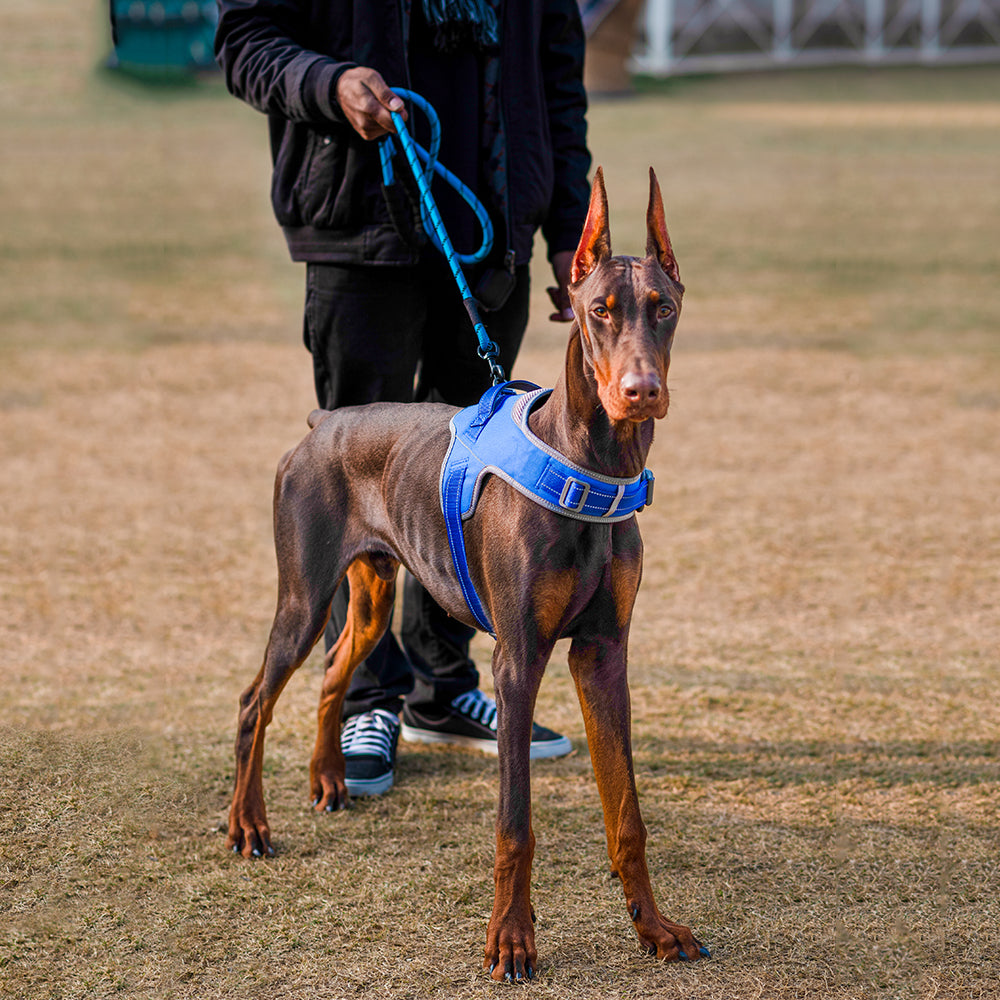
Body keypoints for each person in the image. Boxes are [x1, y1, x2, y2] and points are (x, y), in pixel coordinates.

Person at [215, 0, 592, 796]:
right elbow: (245, 39)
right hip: (359, 225)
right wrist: (329, 81)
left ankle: (442, 687)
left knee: (473, 485)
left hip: (490, 232)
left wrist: (567, 229)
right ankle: (365, 698)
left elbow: (558, 69)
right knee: (359, 487)